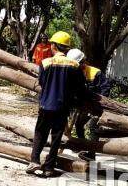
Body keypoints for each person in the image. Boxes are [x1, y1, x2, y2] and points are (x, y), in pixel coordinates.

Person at [26, 31, 86, 177]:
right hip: (63, 107)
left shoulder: (45, 63)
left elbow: (42, 83)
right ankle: (49, 168)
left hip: (46, 104)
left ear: (53, 46)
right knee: (56, 137)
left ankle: (34, 161)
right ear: (67, 48)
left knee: (40, 133)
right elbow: (79, 87)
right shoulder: (74, 65)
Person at [66, 48, 111, 161]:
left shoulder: (96, 73)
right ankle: (83, 146)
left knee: (92, 127)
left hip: (97, 107)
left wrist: (98, 105)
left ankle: (91, 153)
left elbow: (105, 88)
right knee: (79, 124)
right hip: (84, 107)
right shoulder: (74, 72)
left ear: (83, 62)